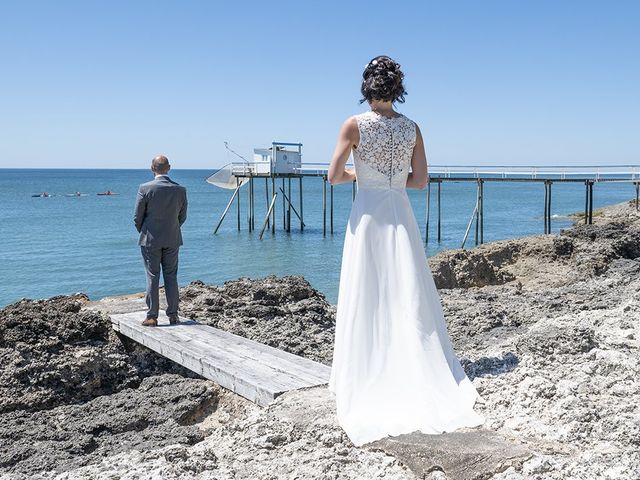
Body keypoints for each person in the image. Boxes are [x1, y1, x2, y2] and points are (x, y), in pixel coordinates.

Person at [327, 56, 484, 446]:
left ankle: (363, 370)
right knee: (407, 290)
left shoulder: (354, 124)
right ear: (398, 87)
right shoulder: (412, 127)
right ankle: (415, 363)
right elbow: (420, 182)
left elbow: (332, 177)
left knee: (368, 290)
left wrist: (359, 174)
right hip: (400, 212)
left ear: (367, 86)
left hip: (367, 216)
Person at [134, 155, 188, 326]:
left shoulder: (145, 188)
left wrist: (145, 231)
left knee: (152, 276)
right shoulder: (179, 189)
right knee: (171, 276)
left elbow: (137, 217)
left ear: (152, 168)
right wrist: (172, 228)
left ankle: (152, 316)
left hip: (150, 239)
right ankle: (173, 315)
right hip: (172, 238)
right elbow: (182, 216)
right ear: (169, 168)